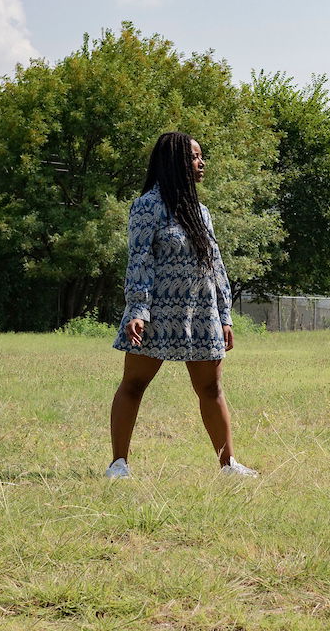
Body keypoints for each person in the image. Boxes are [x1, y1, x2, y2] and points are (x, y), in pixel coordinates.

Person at [106, 131, 257, 479]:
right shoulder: (147, 207)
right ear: (174, 161)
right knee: (133, 385)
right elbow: (139, 261)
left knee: (211, 388)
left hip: (201, 313)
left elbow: (215, 265)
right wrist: (138, 310)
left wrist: (224, 315)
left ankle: (228, 465)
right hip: (158, 314)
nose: (200, 163)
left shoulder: (201, 212)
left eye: (201, 157)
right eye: (193, 157)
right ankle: (118, 464)